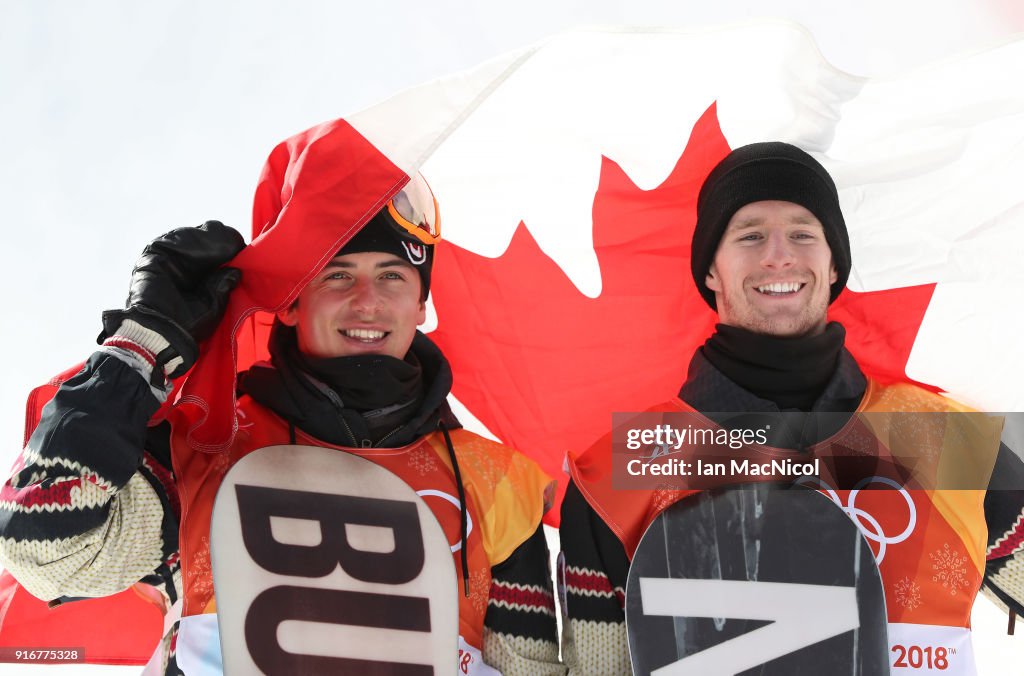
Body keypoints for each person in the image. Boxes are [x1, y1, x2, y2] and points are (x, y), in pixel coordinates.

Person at [0, 163, 564, 674]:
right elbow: (44, 550)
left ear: (421, 303)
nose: (367, 300)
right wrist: (142, 342)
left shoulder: (498, 483)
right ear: (290, 302)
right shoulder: (206, 448)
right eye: (338, 275)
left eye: (392, 275)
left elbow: (529, 669)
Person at [558, 141, 1024, 675]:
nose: (778, 255)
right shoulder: (624, 468)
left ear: (832, 266)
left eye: (803, 234)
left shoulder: (942, 440)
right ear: (710, 270)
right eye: (750, 235)